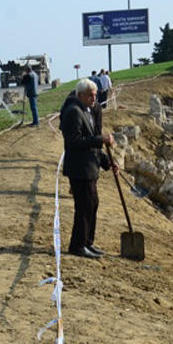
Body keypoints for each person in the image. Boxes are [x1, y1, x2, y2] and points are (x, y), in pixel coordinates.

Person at [59, 78, 117, 259]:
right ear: (80, 95)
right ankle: (77, 245)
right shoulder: (74, 112)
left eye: (95, 95)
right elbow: (74, 142)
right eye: (90, 95)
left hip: (90, 167)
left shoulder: (88, 111)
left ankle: (87, 242)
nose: (94, 98)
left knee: (92, 205)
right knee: (83, 207)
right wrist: (101, 139)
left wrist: (107, 162)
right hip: (79, 169)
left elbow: (92, 142)